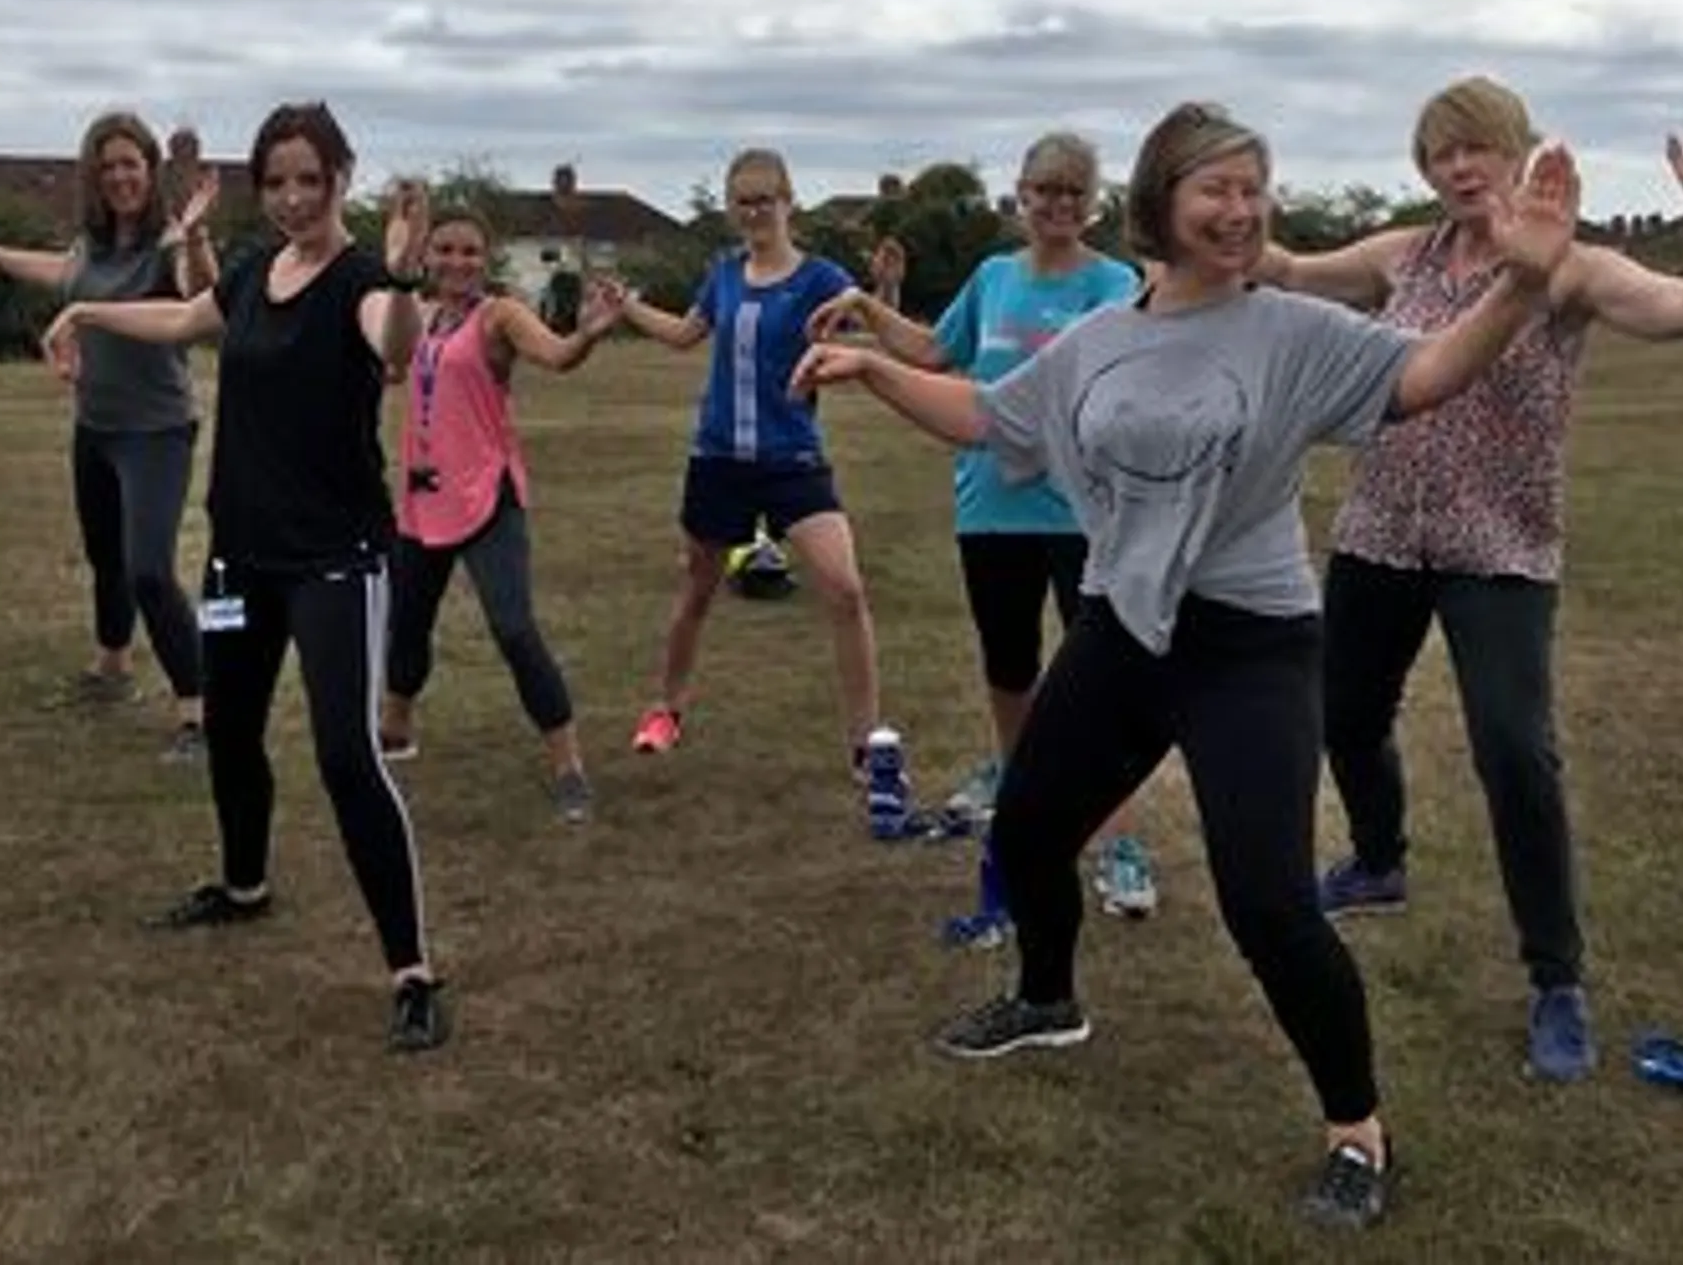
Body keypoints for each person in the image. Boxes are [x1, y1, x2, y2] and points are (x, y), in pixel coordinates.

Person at [791, 101, 1587, 1231]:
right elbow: (987, 415)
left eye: (1252, 185)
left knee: (1266, 902)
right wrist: (872, 365)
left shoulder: (1288, 330)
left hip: (1250, 643)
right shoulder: (1103, 336)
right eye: (1216, 186)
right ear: (1160, 200)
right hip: (1123, 625)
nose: (1240, 206)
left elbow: (1424, 375)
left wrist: (1516, 285)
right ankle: (1047, 995)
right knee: (1024, 829)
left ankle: (1355, 1130)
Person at [1259, 75, 1683, 1086]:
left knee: (1513, 752)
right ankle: (1378, 858)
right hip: (1380, 532)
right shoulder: (1403, 255)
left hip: (1500, 548)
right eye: (1439, 153)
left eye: (1475, 145)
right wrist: (1205, 197)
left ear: (1519, 152)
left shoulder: (1569, 270)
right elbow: (1289, 269)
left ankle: (1554, 978)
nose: (1457, 165)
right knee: (1341, 716)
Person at [41, 101, 449, 1053]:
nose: (294, 197)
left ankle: (413, 970)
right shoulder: (257, 272)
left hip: (335, 559)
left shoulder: (358, 278)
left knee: (348, 758)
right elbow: (185, 317)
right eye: (277, 181)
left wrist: (401, 262)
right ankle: (244, 883)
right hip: (242, 553)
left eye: (311, 179)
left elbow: (396, 345)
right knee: (228, 727)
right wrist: (85, 306)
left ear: (341, 179)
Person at [807, 132, 1160, 921]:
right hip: (991, 508)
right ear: (1023, 196)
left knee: (1102, 685)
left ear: (1092, 202)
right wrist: (867, 307)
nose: (1058, 206)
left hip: (1082, 512)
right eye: (1045, 191)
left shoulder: (1116, 282)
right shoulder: (994, 277)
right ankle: (1022, 791)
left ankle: (1120, 843)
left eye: (1074, 193)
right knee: (1010, 669)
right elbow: (935, 351)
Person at [595, 147, 904, 814]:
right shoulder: (724, 274)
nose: (756, 210)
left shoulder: (822, 275)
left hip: (793, 459)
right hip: (718, 459)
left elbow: (867, 329)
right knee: (698, 589)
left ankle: (864, 740)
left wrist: (885, 291)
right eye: (744, 200)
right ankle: (666, 708)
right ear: (732, 208)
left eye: (767, 197)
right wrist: (628, 307)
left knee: (845, 589)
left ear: (789, 200)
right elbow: (684, 334)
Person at [0, 111, 218, 757]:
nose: (120, 176)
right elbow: (60, 271)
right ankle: (113, 662)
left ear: (151, 170)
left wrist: (196, 238)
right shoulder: (92, 245)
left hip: (155, 432)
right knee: (107, 557)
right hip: (95, 427)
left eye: (131, 163)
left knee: (150, 569)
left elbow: (197, 304)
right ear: (93, 178)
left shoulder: (167, 243)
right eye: (107, 167)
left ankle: (200, 711)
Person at [377, 208, 625, 824]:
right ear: (428, 257)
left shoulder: (500, 315)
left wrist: (587, 333)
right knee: (406, 626)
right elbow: (390, 363)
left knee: (514, 629)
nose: (457, 262)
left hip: (487, 493)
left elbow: (558, 355)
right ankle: (394, 731)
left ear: (484, 260)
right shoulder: (421, 314)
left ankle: (568, 763)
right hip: (422, 493)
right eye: (446, 250)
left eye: (470, 252)